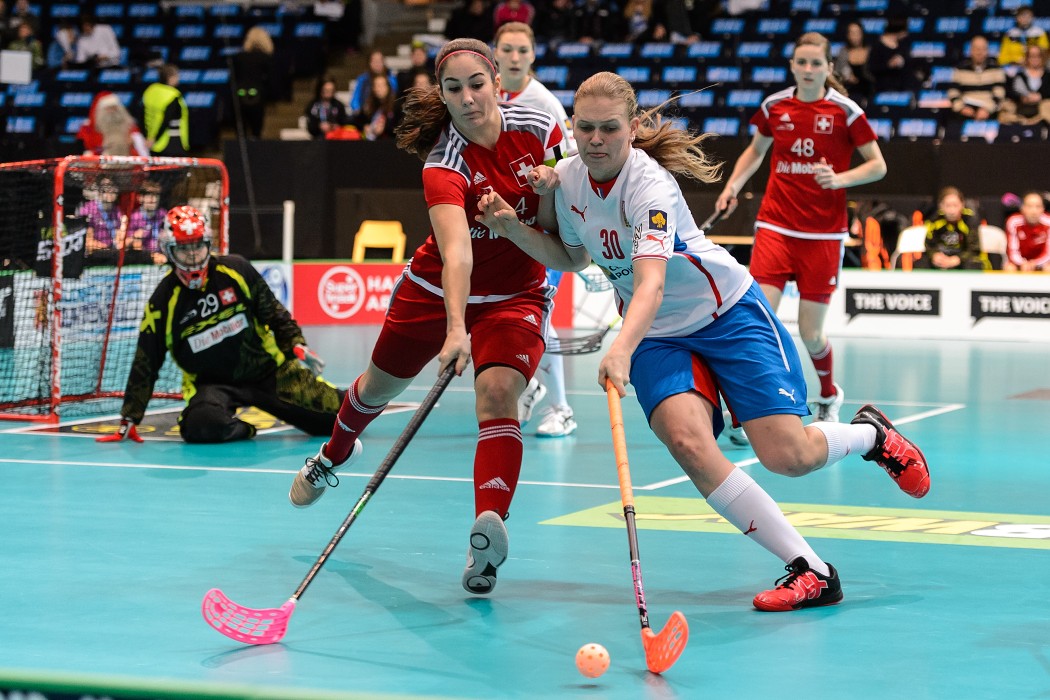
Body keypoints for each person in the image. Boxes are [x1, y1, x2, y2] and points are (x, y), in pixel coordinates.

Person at [477, 70, 930, 612]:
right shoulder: (570, 178)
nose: (595, 139)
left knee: (788, 456)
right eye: (585, 127)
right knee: (689, 444)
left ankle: (870, 436)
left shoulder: (650, 186)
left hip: (725, 314)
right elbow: (572, 257)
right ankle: (811, 569)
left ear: (633, 128)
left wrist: (620, 348)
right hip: (658, 336)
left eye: (609, 128)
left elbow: (651, 282)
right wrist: (513, 228)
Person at [286, 38, 566, 598]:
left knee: (498, 394)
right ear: (441, 94)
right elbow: (457, 251)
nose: (467, 98)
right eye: (453, 89)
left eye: (477, 84)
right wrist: (457, 327)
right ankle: (333, 454)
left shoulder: (540, 127)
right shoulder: (444, 163)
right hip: (435, 292)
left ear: (497, 84)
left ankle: (486, 535)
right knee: (375, 389)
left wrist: (553, 188)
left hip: (515, 294)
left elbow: (571, 202)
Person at [715, 32, 887, 425]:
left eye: (816, 63)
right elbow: (755, 151)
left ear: (829, 67)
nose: (808, 69)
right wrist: (732, 187)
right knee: (759, 321)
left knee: (811, 333)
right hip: (775, 226)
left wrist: (840, 179)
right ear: (792, 66)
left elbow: (878, 165)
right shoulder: (774, 106)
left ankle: (827, 394)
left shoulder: (846, 111)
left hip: (823, 235)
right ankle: (752, 406)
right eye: (802, 62)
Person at [99, 205, 343, 445]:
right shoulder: (162, 301)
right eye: (184, 249)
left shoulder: (237, 269)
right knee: (200, 425)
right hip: (212, 385)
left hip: (268, 371)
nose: (193, 256)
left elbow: (274, 313)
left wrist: (296, 344)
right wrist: (131, 416)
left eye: (198, 246)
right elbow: (146, 360)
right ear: (169, 251)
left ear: (208, 245)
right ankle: (245, 430)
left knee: (339, 419)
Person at [493, 21, 579, 437]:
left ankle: (562, 407)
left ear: (532, 55)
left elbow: (567, 165)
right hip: (505, 227)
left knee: (540, 315)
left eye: (522, 50)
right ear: (495, 53)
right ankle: (531, 386)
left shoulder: (544, 103)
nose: (514, 57)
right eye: (507, 49)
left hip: (542, 228)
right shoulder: (487, 97)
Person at [914, 187, 988, 271]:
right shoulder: (934, 220)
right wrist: (934, 255)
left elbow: (974, 249)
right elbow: (928, 245)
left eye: (955, 205)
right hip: (941, 259)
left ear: (962, 204)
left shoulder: (970, 220)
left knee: (975, 264)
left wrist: (958, 259)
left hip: (961, 259)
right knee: (920, 263)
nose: (952, 210)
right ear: (941, 206)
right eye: (948, 206)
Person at [947, 35, 1006, 123]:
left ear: (987, 51)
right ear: (971, 50)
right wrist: (961, 108)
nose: (980, 52)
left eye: (983, 49)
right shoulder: (960, 68)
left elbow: (1000, 93)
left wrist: (987, 109)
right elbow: (953, 92)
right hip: (966, 108)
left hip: (989, 108)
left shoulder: (996, 68)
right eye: (977, 49)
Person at [231, 26, 275, 140]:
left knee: (240, 133)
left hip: (239, 96)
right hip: (258, 97)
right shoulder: (266, 58)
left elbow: (232, 78)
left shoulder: (238, 57)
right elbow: (271, 80)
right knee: (256, 132)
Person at [77, 92, 150, 157]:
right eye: (108, 108)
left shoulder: (131, 128)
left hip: (126, 160)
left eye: (114, 107)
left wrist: (133, 142)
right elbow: (88, 150)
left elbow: (143, 153)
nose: (111, 111)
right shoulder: (88, 129)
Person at [142, 64, 190, 156]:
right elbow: (166, 119)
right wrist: (155, 138)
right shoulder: (173, 95)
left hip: (152, 143)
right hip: (171, 142)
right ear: (170, 78)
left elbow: (142, 116)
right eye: (177, 76)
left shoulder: (149, 91)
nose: (178, 79)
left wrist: (148, 137)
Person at [1003, 45, 1050, 125]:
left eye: (1038, 56)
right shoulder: (1019, 75)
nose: (1035, 59)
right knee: (1006, 107)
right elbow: (1010, 91)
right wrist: (1022, 97)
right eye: (1032, 56)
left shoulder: (1048, 75)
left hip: (1042, 106)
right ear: (1027, 58)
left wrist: (1040, 96)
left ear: (1042, 57)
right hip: (1021, 105)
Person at [1003, 191, 1050, 272]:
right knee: (1009, 268)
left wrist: (1035, 263)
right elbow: (1012, 251)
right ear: (1022, 208)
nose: (1034, 211)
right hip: (1019, 263)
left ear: (1043, 209)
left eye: (1038, 206)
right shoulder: (1013, 222)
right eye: (1029, 206)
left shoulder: (1048, 222)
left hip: (1041, 263)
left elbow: (1048, 253)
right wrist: (1022, 263)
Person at [833, 21, 874, 108]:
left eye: (857, 33)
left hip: (870, 90)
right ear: (847, 35)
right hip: (849, 91)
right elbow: (837, 74)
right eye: (851, 33)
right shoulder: (843, 52)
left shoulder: (871, 51)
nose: (855, 36)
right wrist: (846, 77)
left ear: (862, 34)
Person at [127, 179, 168, 264]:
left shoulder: (163, 214)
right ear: (140, 198)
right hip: (144, 259)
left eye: (155, 195)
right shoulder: (135, 217)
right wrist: (152, 256)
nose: (152, 199)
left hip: (164, 256)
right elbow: (133, 245)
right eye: (148, 195)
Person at [349, 50, 397, 118]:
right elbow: (355, 100)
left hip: (387, 112)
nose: (377, 64)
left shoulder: (391, 79)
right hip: (367, 113)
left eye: (379, 61)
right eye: (374, 61)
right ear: (369, 63)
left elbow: (394, 98)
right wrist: (360, 113)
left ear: (384, 62)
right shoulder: (363, 79)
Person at [353, 73, 396, 140]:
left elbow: (401, 127)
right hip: (370, 142)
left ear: (388, 87)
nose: (378, 88)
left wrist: (384, 129)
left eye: (381, 85)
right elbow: (356, 121)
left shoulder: (396, 106)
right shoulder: (369, 104)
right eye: (376, 85)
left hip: (389, 142)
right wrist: (364, 127)